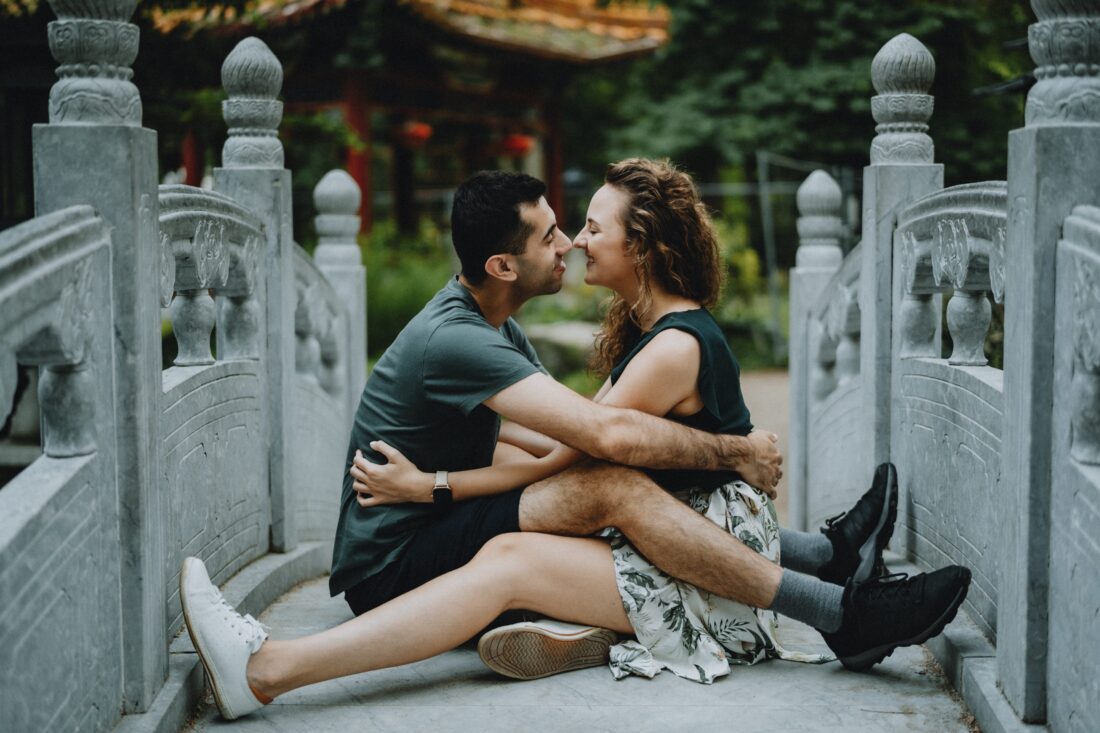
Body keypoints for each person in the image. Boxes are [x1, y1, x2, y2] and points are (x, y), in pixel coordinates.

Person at [180, 164, 970, 720]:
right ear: (501, 263)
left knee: (573, 513)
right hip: (394, 558)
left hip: (434, 522)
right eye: (555, 234)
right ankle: (838, 599)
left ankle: (829, 580)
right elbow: (597, 435)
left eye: (579, 228)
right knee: (607, 489)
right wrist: (734, 452)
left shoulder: (502, 327)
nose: (571, 244)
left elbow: (545, 445)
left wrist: (443, 485)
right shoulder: (457, 339)